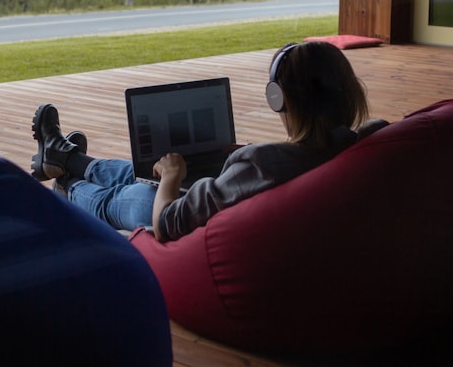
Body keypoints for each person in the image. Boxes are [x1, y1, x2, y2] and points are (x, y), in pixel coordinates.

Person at [29, 41, 386, 242]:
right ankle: (68, 156)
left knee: (135, 194)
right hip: (229, 195)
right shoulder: (363, 141)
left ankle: (67, 182)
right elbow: (295, 158)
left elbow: (168, 223)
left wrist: (171, 180)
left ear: (278, 99)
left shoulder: (259, 164)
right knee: (138, 171)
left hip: (191, 224)